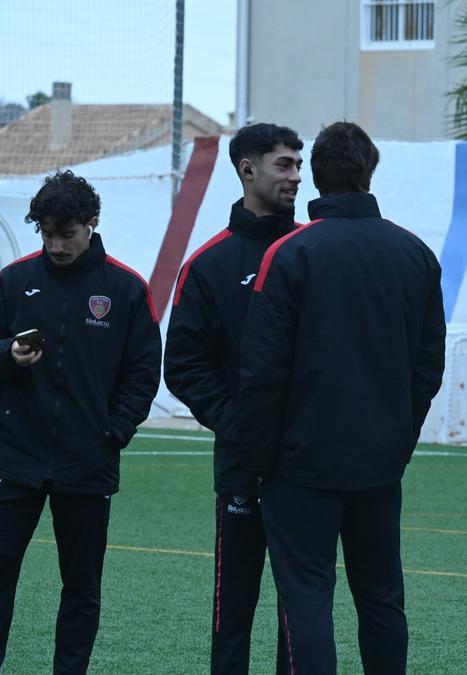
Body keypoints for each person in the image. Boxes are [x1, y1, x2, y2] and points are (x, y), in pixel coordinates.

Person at [235, 121, 446, 674]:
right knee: (381, 597)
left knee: (308, 599)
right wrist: (399, 437)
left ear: (316, 179)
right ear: (369, 171)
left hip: (301, 465)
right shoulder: (416, 254)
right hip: (379, 462)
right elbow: (429, 367)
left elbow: (262, 372)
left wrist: (258, 459)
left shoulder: (289, 253)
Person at [0, 170, 161, 674]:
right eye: (46, 233)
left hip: (87, 462)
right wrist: (7, 352)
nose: (54, 245)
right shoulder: (14, 280)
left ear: (91, 224)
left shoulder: (127, 289)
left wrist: (112, 432)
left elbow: (142, 375)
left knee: (81, 587)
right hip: (14, 459)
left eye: (65, 234)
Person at [164, 122, 303, 674]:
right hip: (243, 465)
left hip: (308, 464)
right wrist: (238, 424)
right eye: (283, 164)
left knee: (303, 609)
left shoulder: (314, 248)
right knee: (233, 612)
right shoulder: (209, 263)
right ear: (247, 169)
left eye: (298, 163)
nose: (296, 175)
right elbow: (183, 366)